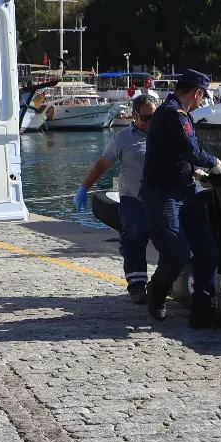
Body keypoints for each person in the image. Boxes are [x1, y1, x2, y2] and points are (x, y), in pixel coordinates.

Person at [140, 69, 221, 328]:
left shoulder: (177, 113)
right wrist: (214, 164)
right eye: (202, 96)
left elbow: (175, 153)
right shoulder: (173, 114)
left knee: (208, 251)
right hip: (163, 195)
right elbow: (191, 150)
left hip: (185, 191)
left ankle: (202, 310)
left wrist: (194, 171)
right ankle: (157, 288)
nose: (202, 102)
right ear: (196, 92)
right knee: (176, 253)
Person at [74, 94, 159, 303]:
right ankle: (137, 285)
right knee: (134, 235)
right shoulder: (122, 139)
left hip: (160, 198)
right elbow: (101, 165)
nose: (150, 122)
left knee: (169, 240)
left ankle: (163, 282)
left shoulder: (165, 135)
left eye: (154, 118)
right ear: (134, 115)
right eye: (146, 118)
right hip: (132, 198)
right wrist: (84, 188)